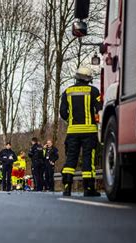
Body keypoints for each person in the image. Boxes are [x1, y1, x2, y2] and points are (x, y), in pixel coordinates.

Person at [60, 67, 102, 197]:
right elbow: (100, 109)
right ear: (88, 78)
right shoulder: (94, 91)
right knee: (88, 158)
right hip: (90, 131)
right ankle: (88, 189)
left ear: (77, 76)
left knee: (71, 158)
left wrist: (71, 120)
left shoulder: (67, 91)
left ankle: (67, 188)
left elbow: (62, 113)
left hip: (72, 131)